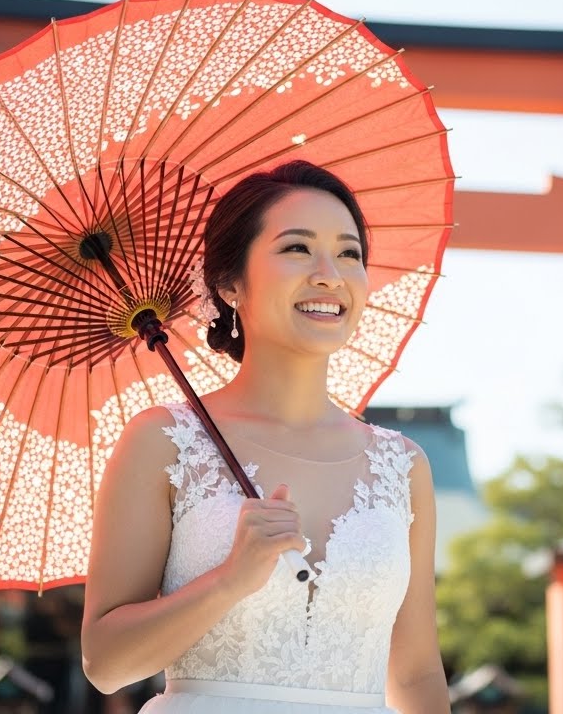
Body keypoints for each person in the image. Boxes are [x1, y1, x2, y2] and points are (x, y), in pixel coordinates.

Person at [81, 160, 449, 713]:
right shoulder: (164, 442)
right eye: (297, 248)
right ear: (230, 283)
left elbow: (417, 671)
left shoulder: (403, 464)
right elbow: (107, 665)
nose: (330, 273)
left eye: (350, 253)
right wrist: (230, 580)